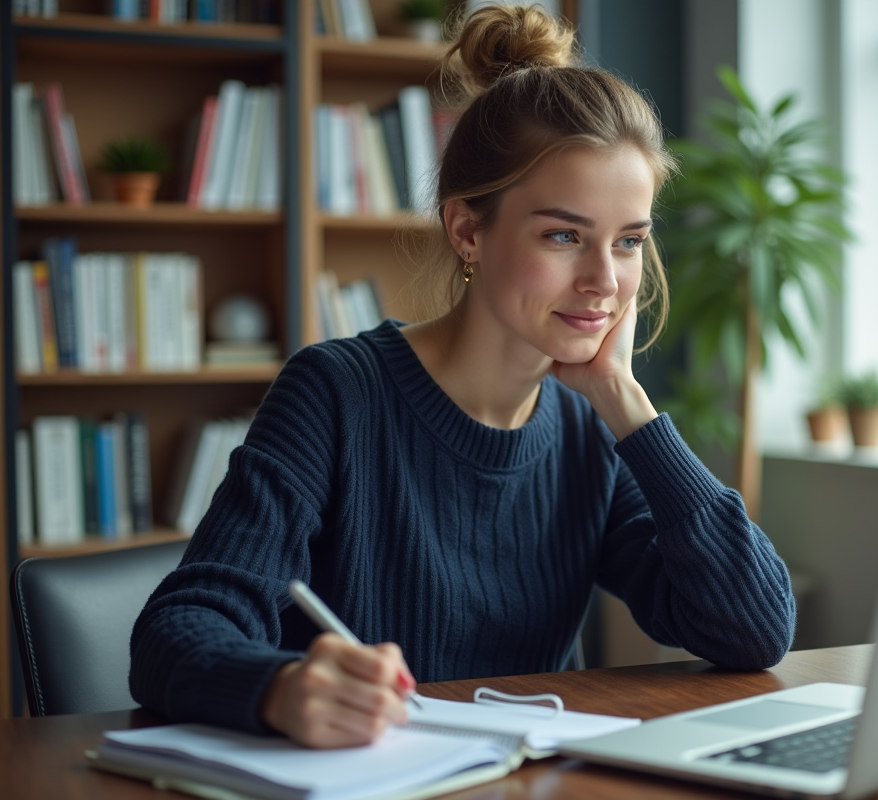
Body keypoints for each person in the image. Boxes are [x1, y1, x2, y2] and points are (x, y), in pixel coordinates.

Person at [130, 4, 796, 750]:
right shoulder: (337, 392)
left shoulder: (592, 431)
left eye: (630, 241)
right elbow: (175, 633)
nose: (605, 281)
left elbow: (754, 629)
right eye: (564, 235)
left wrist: (625, 400)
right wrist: (280, 686)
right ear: (468, 230)